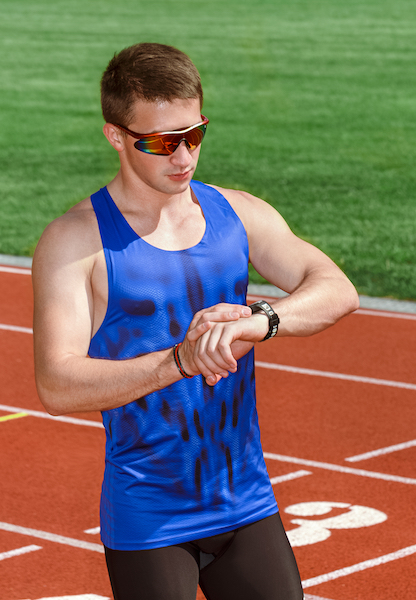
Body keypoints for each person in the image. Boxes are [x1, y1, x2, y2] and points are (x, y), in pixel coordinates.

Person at [32, 42, 359, 600]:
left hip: (247, 501)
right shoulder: (75, 242)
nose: (183, 156)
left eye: (194, 134)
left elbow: (337, 290)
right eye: (161, 142)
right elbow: (57, 385)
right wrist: (181, 360)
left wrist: (261, 320)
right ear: (116, 135)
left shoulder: (237, 213)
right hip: (149, 517)